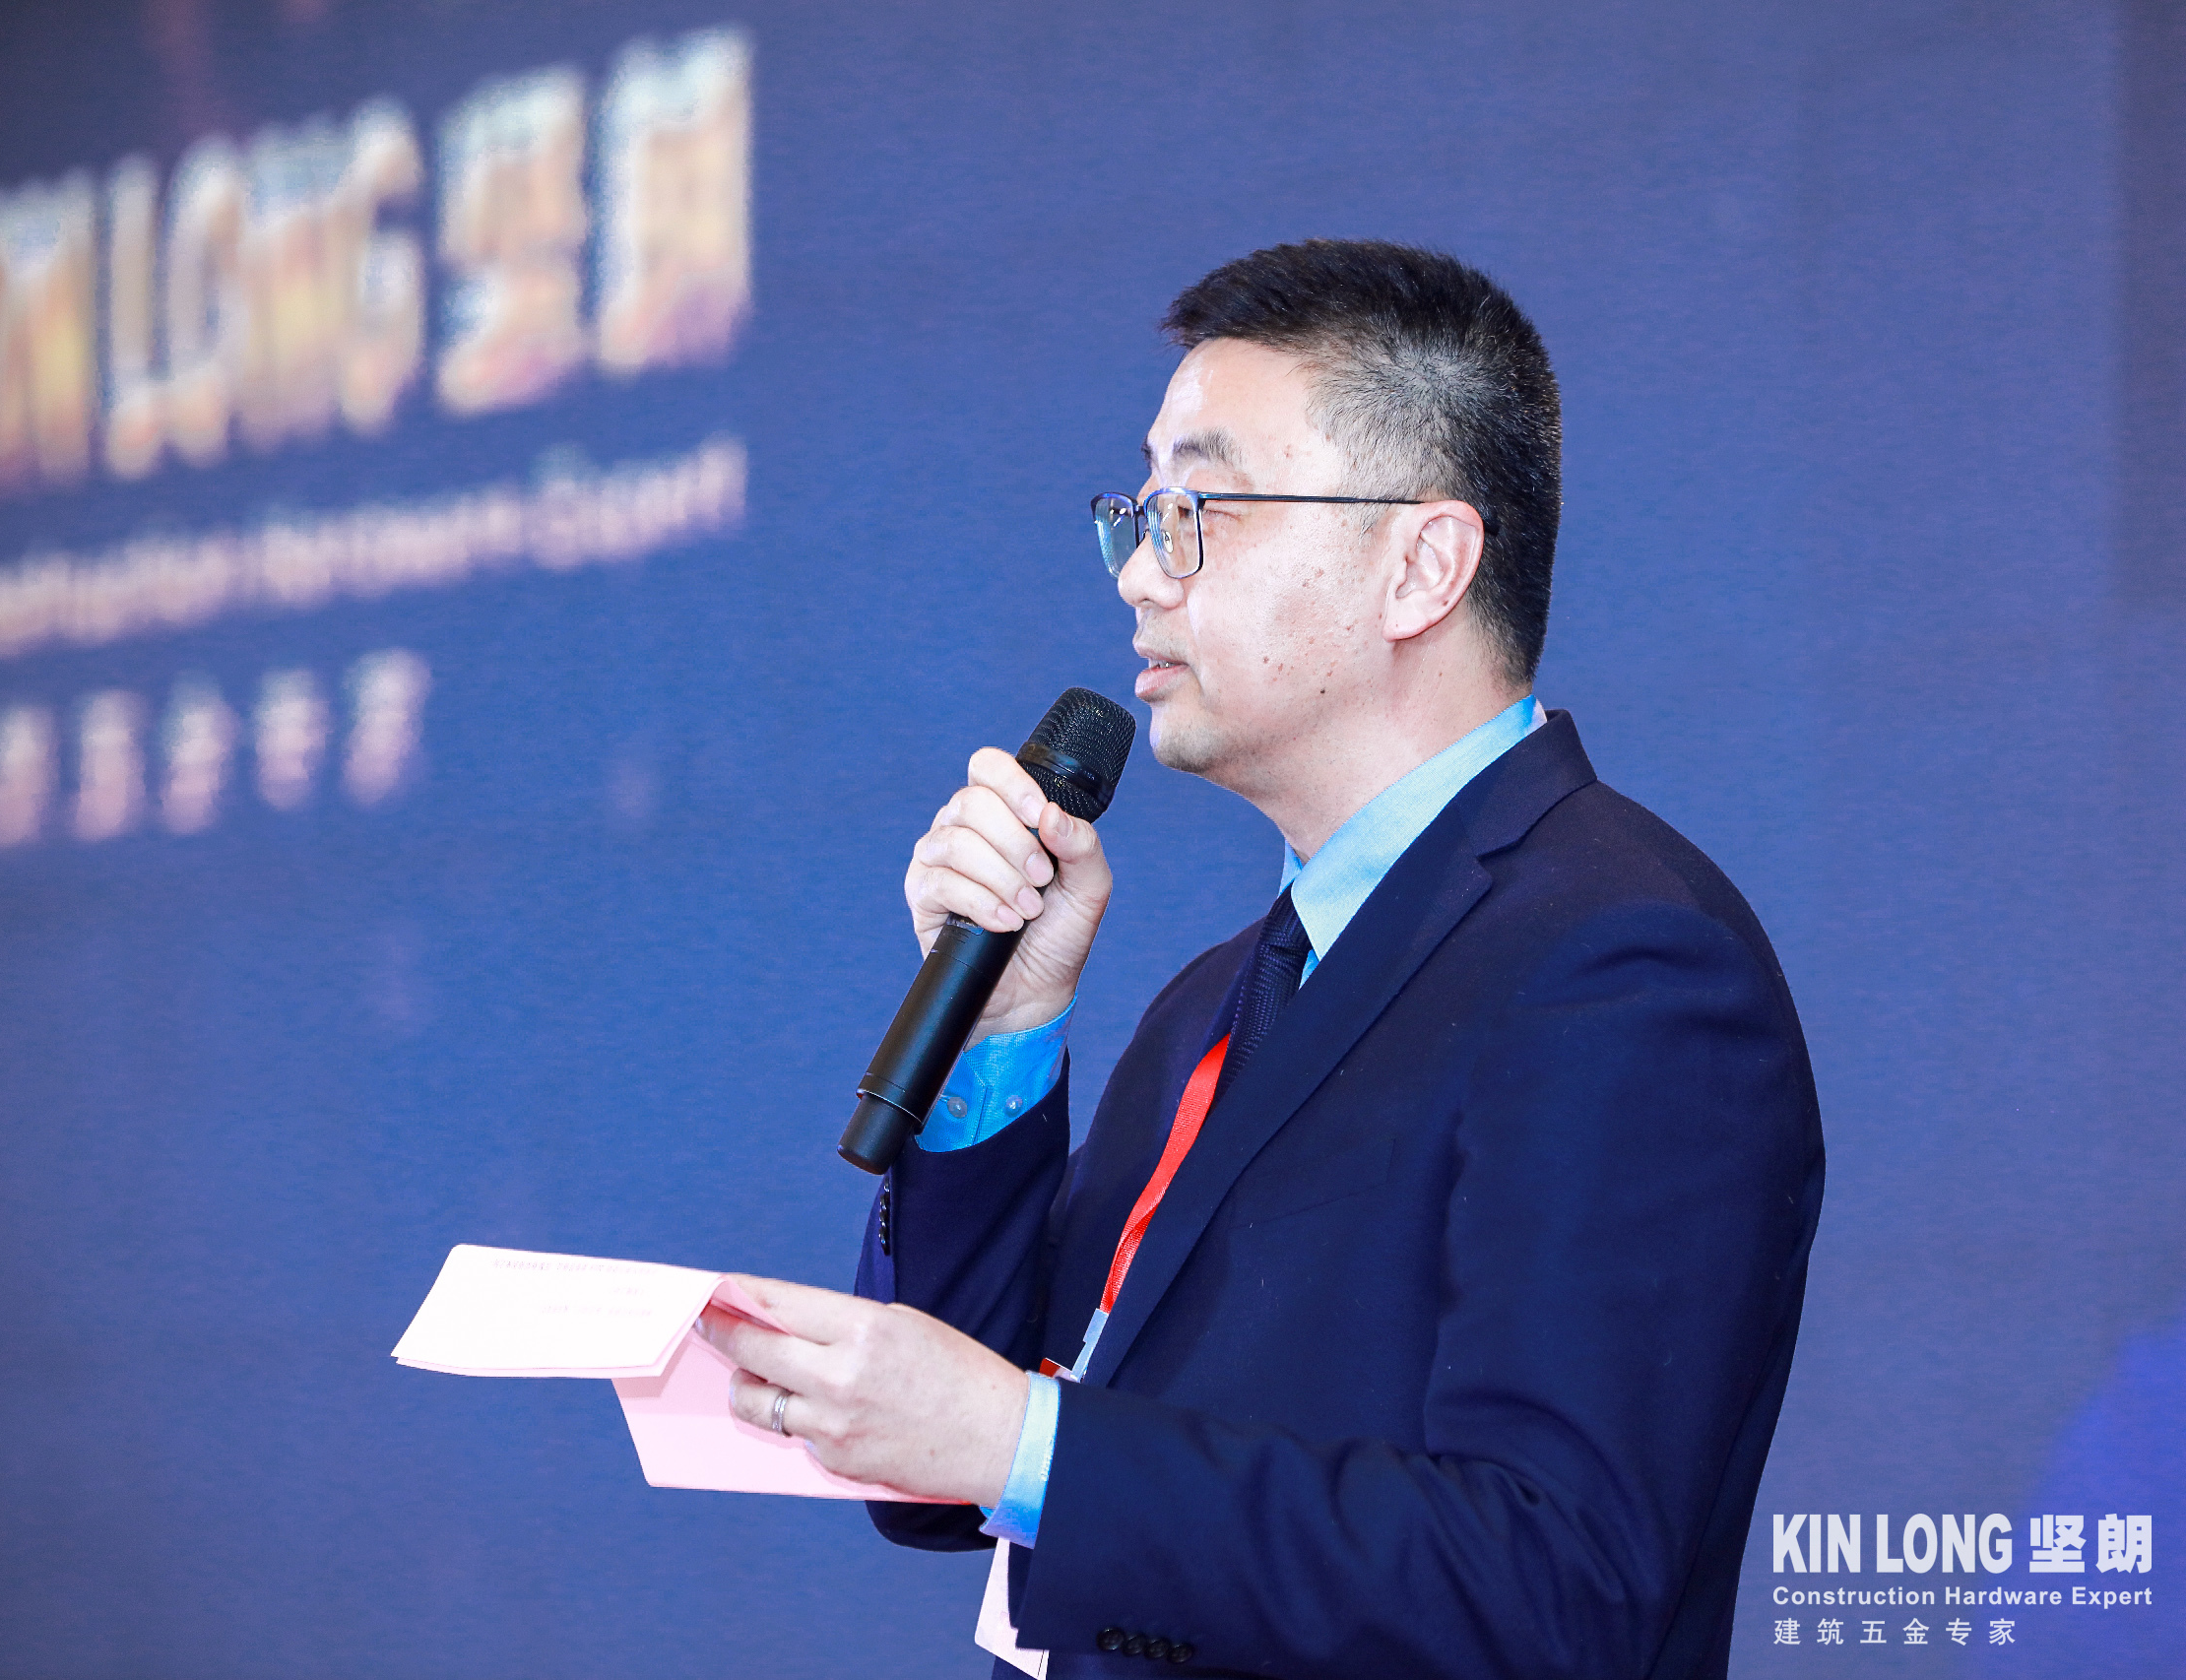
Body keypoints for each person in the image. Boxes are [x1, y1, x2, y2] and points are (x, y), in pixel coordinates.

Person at [698, 239, 1824, 1679]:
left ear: (1421, 565)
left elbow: (1556, 1583)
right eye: (1140, 512)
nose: (1140, 577)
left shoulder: (1622, 967)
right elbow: (937, 1483)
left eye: (1199, 511)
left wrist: (1022, 1442)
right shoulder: (1216, 1000)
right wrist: (1003, 1029)